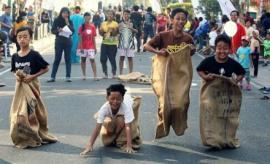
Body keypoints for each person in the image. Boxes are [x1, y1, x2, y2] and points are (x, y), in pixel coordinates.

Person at [10, 26, 57, 148]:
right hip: (20, 90)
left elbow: (45, 68)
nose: (22, 40)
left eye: (25, 37)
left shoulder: (34, 55)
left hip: (32, 88)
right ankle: (23, 137)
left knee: (33, 113)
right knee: (20, 113)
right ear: (16, 39)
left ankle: (36, 134)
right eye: (19, 37)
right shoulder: (15, 56)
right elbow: (14, 70)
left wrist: (32, 76)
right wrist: (17, 75)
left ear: (30, 38)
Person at [80, 84, 136, 155]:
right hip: (109, 111)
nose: (115, 101)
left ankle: (117, 136)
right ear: (107, 98)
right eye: (112, 99)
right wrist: (90, 145)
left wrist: (129, 145)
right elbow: (97, 128)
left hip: (130, 104)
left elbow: (128, 127)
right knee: (106, 142)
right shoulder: (104, 108)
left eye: (118, 99)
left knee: (123, 122)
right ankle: (101, 115)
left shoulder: (127, 107)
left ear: (122, 99)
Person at [47, 7, 74, 82]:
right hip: (59, 42)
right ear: (61, 13)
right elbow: (52, 30)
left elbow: (73, 32)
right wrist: (58, 30)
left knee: (68, 59)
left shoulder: (70, 21)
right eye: (64, 13)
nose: (65, 14)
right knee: (57, 59)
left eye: (67, 13)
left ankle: (68, 76)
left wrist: (68, 23)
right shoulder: (57, 20)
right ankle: (53, 77)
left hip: (68, 42)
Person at [77, 12, 98, 80]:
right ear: (84, 18)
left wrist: (95, 47)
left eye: (89, 17)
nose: (87, 18)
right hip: (83, 46)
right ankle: (84, 75)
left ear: (90, 18)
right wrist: (81, 47)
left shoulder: (92, 26)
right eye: (86, 17)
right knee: (83, 60)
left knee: (92, 60)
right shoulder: (81, 27)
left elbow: (93, 38)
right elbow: (80, 38)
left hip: (91, 46)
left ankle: (95, 75)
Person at [99, 10, 119, 79]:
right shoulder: (103, 23)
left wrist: (109, 32)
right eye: (108, 14)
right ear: (106, 15)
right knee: (102, 59)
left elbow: (115, 34)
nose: (109, 16)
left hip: (112, 44)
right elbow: (101, 34)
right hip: (104, 43)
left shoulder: (115, 23)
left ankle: (114, 73)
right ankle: (105, 73)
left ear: (113, 16)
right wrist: (104, 32)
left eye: (111, 14)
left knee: (112, 59)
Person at [118, 9, 137, 75]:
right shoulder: (120, 23)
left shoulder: (132, 22)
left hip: (130, 44)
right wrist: (118, 29)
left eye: (127, 14)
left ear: (130, 15)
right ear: (123, 15)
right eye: (125, 14)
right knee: (121, 58)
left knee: (130, 58)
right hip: (122, 44)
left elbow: (137, 31)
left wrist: (131, 28)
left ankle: (130, 73)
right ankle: (120, 73)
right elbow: (117, 32)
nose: (126, 15)